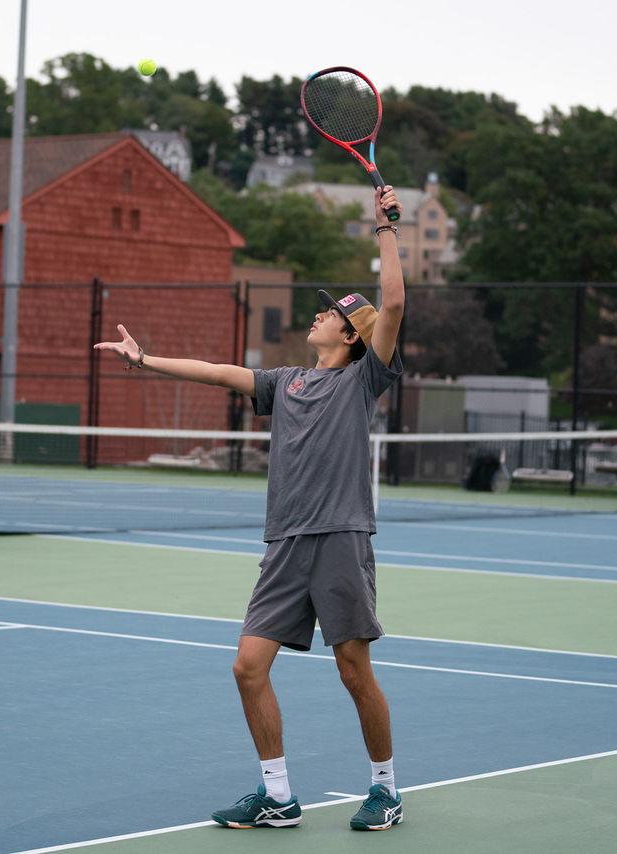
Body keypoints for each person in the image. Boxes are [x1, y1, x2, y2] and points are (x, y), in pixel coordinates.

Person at [95, 186, 407, 832]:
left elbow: (396, 302)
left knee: (354, 669)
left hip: (341, 538)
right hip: (285, 546)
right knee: (246, 666)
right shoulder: (285, 383)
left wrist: (385, 228)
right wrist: (145, 359)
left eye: (329, 315)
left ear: (350, 336)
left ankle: (385, 789)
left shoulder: (361, 380)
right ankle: (277, 794)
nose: (316, 317)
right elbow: (215, 371)